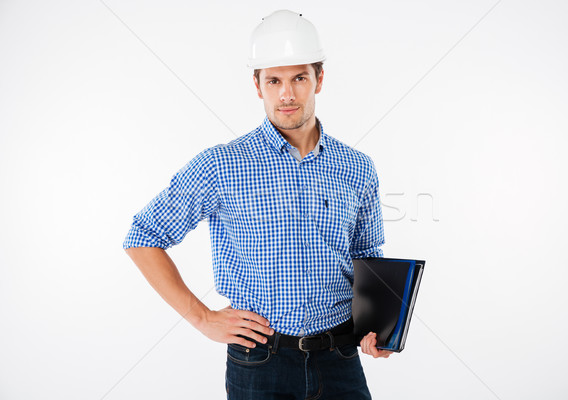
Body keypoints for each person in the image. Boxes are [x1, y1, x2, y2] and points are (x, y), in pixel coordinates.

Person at [123, 9, 392, 399]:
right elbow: (143, 237)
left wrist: (378, 327)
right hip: (259, 362)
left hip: (340, 357)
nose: (287, 94)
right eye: (274, 80)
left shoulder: (357, 167)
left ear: (319, 79)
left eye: (299, 77)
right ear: (257, 85)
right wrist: (202, 318)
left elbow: (367, 255)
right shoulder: (221, 165)